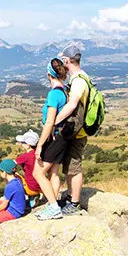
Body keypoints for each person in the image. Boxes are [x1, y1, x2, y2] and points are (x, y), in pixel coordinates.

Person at [54, 42, 90, 215]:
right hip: (77, 130)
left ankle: (74, 202)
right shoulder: (83, 77)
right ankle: (70, 197)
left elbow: (72, 105)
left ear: (67, 61)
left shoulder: (77, 82)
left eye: (63, 60)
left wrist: (55, 121)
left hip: (77, 132)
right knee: (69, 165)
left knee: (74, 166)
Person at [34, 58, 69, 221]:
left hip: (53, 138)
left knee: (38, 173)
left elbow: (49, 121)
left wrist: (40, 145)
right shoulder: (65, 90)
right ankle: (52, 203)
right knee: (54, 172)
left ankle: (54, 208)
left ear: (49, 74)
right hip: (62, 137)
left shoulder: (54, 94)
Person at [14, 130, 41, 206]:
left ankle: (22, 201)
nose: (21, 144)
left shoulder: (25, 156)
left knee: (14, 177)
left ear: (28, 145)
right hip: (40, 186)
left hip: (30, 188)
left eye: (23, 143)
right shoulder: (39, 153)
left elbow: (11, 164)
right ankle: (33, 197)